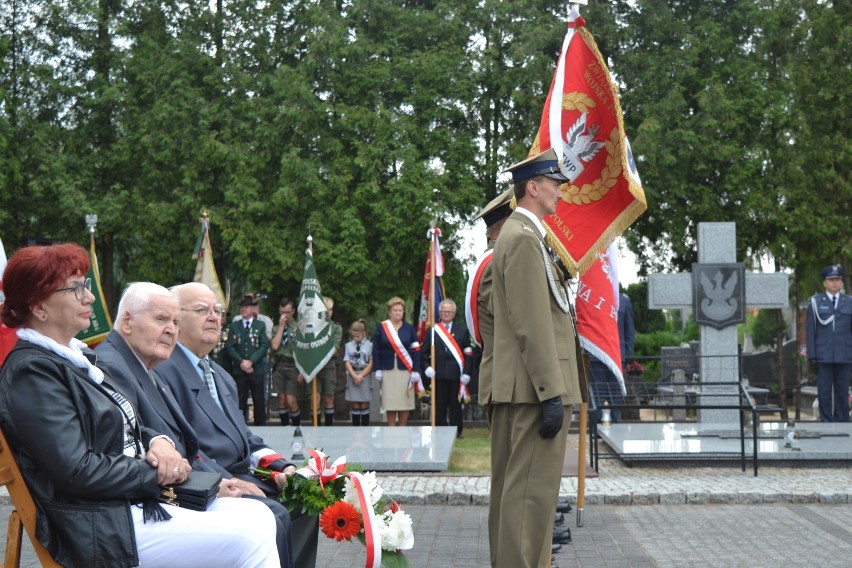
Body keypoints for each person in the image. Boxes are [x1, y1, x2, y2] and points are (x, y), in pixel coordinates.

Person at [0, 244, 280, 567]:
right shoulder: (33, 372)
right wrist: (156, 474)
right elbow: (77, 471)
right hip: (102, 524)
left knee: (258, 515)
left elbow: (121, 421)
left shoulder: (75, 359)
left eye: (86, 286)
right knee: (250, 534)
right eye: (76, 288)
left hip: (127, 505)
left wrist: (157, 441)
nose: (89, 297)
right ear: (39, 307)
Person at [94, 282, 293, 567]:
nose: (171, 330)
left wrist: (277, 464)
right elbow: (137, 450)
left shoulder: (146, 365)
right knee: (267, 517)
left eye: (174, 321)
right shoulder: (118, 366)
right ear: (127, 321)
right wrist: (217, 484)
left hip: (192, 481)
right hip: (151, 503)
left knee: (292, 505)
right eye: (162, 319)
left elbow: (228, 440)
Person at [157, 282, 319, 568]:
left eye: (217, 311)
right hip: (209, 480)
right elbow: (181, 446)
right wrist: (228, 482)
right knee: (274, 514)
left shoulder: (220, 375)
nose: (214, 317)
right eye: (201, 310)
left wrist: (282, 467)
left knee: (305, 503)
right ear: (175, 318)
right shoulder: (164, 372)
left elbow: (245, 438)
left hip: (246, 473)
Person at [488, 149, 584, 568]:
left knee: (524, 500)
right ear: (533, 187)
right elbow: (532, 323)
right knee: (530, 501)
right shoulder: (524, 239)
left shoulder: (524, 236)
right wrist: (550, 391)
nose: (560, 193)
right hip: (533, 390)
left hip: (528, 388)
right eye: (555, 184)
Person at [805, 264, 851, 422]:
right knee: (824, 393)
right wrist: (812, 355)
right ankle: (826, 423)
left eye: (837, 279)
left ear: (841, 282)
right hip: (823, 356)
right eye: (831, 280)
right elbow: (811, 331)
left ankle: (842, 423)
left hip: (844, 355)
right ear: (824, 283)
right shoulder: (815, 303)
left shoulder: (849, 302)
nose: (834, 283)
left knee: (842, 392)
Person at [421, 299, 472, 438]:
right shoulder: (432, 331)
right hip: (439, 374)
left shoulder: (462, 331)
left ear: (454, 313)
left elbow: (468, 354)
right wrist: (426, 367)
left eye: (449, 311)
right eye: (444, 311)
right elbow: (423, 353)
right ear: (439, 313)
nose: (446, 313)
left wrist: (467, 373)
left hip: (457, 375)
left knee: (456, 406)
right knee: (439, 406)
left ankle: (457, 431)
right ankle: (440, 432)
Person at [372, 296, 422, 426]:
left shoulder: (409, 328)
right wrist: (377, 368)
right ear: (390, 311)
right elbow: (376, 349)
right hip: (387, 369)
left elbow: (416, 350)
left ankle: (402, 429)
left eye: (400, 310)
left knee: (404, 402)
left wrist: (416, 370)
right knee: (390, 402)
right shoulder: (382, 327)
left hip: (405, 370)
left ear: (403, 312)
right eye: (395, 310)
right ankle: (391, 429)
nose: (398, 312)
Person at [226, 293, 270, 425]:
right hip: (239, 369)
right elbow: (229, 347)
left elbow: (264, 346)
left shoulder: (260, 325)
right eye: (242, 306)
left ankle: (261, 427)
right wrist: (241, 362)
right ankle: (241, 427)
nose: (243, 309)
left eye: (246, 306)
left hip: (256, 369)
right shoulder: (235, 325)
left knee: (258, 400)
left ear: (253, 308)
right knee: (240, 400)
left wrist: (251, 361)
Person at [311, 296, 343, 426]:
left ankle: (328, 428)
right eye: (325, 310)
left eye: (330, 310)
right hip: (313, 365)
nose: (328, 313)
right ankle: (316, 430)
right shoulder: (311, 327)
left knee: (329, 397)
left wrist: (319, 347)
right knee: (315, 399)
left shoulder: (336, 328)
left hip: (329, 365)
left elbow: (335, 349)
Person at [270, 297, 299, 426]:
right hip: (280, 365)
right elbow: (275, 346)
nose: (285, 315)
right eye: (282, 312)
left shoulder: (299, 328)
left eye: (287, 312)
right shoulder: (276, 328)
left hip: (294, 366)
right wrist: (282, 327)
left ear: (293, 311)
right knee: (281, 399)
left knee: (291, 400)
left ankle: (297, 429)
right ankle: (285, 429)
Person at [343, 319, 374, 425]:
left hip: (364, 375)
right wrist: (354, 376)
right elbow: (347, 362)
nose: (355, 339)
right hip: (353, 375)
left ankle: (365, 430)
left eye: (358, 336)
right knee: (355, 403)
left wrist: (360, 376)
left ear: (364, 334)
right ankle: (355, 430)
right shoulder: (348, 345)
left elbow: (371, 363)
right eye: (353, 336)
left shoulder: (370, 345)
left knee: (364, 403)